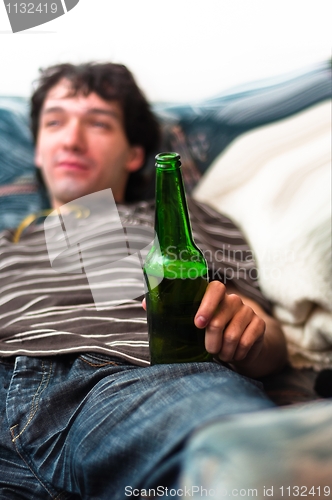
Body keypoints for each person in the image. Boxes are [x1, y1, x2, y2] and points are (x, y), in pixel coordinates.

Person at [0, 62, 287, 499]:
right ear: (38, 149)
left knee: (249, 471)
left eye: (97, 124)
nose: (72, 139)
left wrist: (244, 333)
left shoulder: (178, 217)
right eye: (55, 121)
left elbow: (264, 335)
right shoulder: (6, 240)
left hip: (134, 379)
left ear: (134, 154)